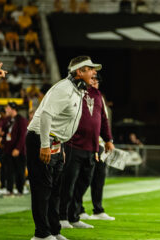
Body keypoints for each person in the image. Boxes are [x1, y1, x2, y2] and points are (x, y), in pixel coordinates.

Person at [26, 56, 100, 240]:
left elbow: (63, 124)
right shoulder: (64, 89)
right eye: (90, 69)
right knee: (43, 189)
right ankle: (41, 234)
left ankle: (53, 230)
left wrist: (62, 147)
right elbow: (45, 116)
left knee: (55, 190)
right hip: (42, 139)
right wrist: (44, 145)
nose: (94, 73)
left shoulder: (77, 90)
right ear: (79, 72)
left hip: (56, 142)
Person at [59, 72, 114, 229]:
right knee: (68, 183)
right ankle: (62, 217)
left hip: (92, 147)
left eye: (96, 78)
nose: (95, 80)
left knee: (83, 183)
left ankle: (74, 216)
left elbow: (103, 119)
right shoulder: (73, 90)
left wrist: (108, 139)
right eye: (93, 76)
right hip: (73, 145)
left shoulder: (97, 94)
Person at [3, 102, 27, 196]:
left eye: (7, 107)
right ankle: (10, 190)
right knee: (9, 171)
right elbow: (7, 132)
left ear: (13, 109)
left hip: (19, 151)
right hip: (9, 150)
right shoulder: (9, 120)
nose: (6, 109)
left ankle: (20, 190)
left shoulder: (21, 120)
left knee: (19, 171)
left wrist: (18, 148)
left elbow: (22, 136)